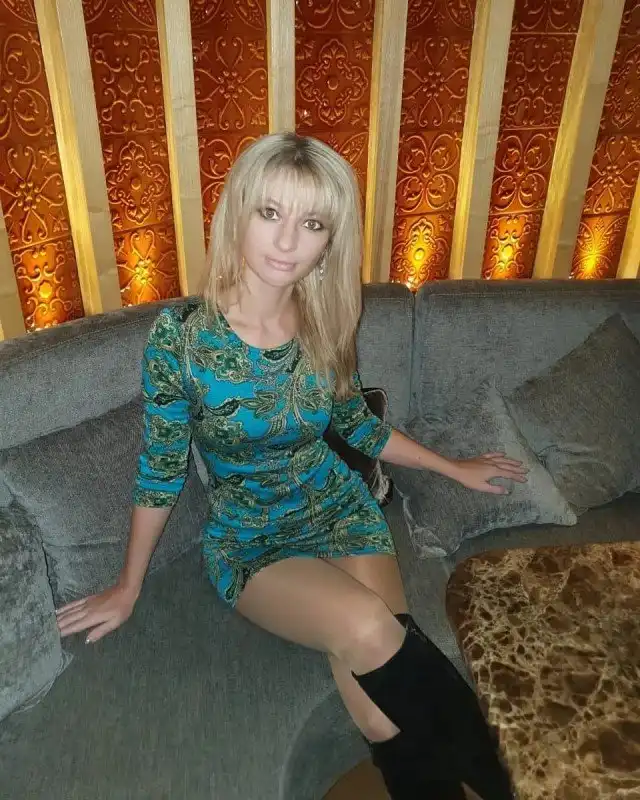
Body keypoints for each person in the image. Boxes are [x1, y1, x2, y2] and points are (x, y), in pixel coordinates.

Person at [56, 133, 525, 799]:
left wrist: (453, 467)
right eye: (270, 213)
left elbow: (356, 425)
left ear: (329, 241)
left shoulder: (325, 319)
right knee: (368, 627)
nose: (286, 242)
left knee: (377, 695)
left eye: (312, 224)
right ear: (238, 212)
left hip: (340, 509)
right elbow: (160, 469)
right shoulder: (181, 339)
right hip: (251, 539)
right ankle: (516, 785)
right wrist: (128, 586)